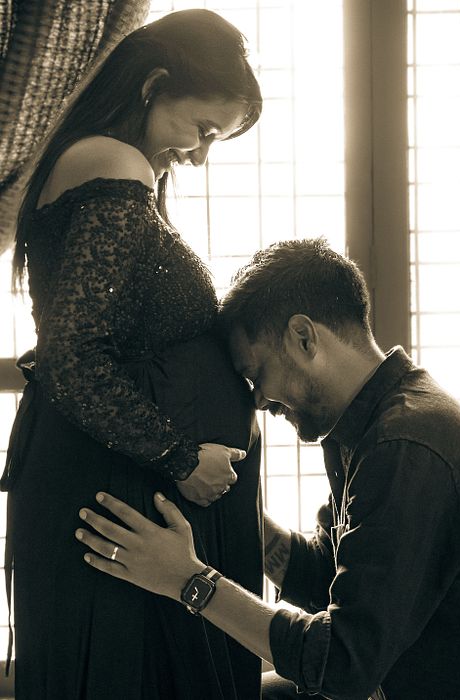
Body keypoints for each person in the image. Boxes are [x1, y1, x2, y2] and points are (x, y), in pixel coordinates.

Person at [76, 238, 460, 700]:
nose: (258, 401)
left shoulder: (405, 446)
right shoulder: (364, 426)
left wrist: (188, 580)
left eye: (256, 374)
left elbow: (341, 664)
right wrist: (228, 513)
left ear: (303, 337)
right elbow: (323, 576)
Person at [2, 9, 265, 700]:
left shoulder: (103, 165)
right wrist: (181, 457)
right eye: (202, 129)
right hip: (110, 481)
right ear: (153, 85)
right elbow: (72, 358)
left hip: (113, 475)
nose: (200, 155)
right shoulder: (113, 164)